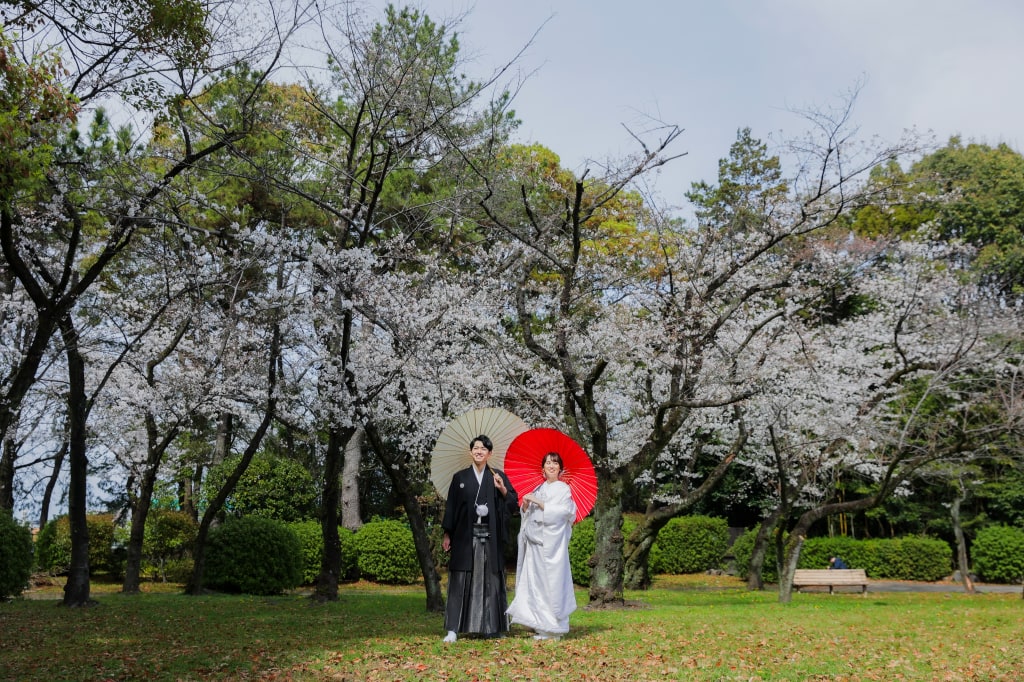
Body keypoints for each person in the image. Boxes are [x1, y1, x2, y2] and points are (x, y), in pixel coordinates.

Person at [441, 435, 518, 643]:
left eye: (483, 449)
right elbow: (452, 508)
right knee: (461, 580)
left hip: (490, 537)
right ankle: (453, 629)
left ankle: (492, 627)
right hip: (465, 536)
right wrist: (447, 533)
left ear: (490, 454)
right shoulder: (460, 478)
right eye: (476, 448)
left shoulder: (497, 476)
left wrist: (502, 488)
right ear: (470, 452)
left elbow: (513, 505)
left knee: (491, 580)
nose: (479, 451)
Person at [506, 451, 577, 641]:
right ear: (543, 468)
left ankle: (554, 628)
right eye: (548, 463)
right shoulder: (539, 488)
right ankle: (539, 624)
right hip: (535, 545)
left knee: (550, 584)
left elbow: (564, 513)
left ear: (560, 468)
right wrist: (527, 506)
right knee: (535, 585)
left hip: (551, 546)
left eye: (555, 463)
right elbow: (528, 515)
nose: (551, 466)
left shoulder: (563, 489)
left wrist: (541, 503)